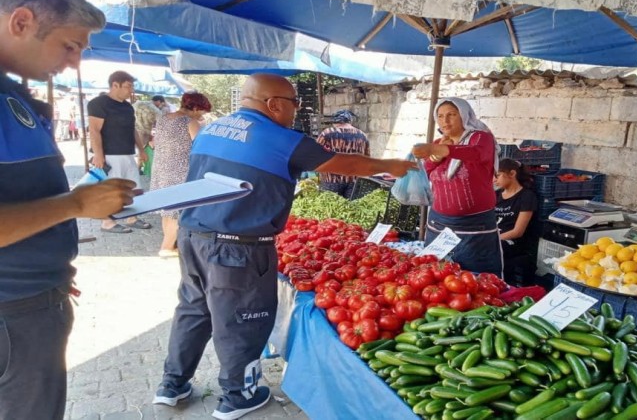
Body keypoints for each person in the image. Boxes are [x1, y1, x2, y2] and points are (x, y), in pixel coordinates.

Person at [152, 74, 416, 419]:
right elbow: (344, 164)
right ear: (274, 104)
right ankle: (237, 397)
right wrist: (388, 166)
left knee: (193, 308)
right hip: (238, 248)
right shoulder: (281, 138)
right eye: (294, 103)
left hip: (192, 236)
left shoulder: (212, 129)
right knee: (243, 320)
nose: (296, 110)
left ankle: (172, 385)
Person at [0, 0, 136, 419]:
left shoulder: (11, 92)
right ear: (21, 21)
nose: (75, 62)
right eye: (69, 45)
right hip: (12, 313)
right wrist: (76, 205)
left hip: (31, 304)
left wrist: (76, 198)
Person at [411, 97, 503, 277]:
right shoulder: (438, 143)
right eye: (440, 116)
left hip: (475, 226)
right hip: (438, 223)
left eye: (451, 115)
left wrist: (442, 151)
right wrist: (435, 156)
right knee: (437, 277)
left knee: (476, 280)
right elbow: (426, 172)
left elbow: (475, 153)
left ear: (464, 116)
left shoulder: (481, 138)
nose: (445, 121)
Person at [88, 71, 152, 233]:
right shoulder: (98, 103)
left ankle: (132, 217)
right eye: (128, 86)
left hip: (127, 153)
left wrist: (141, 149)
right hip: (109, 154)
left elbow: (133, 130)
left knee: (133, 187)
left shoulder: (127, 106)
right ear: (115, 85)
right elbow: (94, 130)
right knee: (111, 189)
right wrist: (98, 154)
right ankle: (107, 221)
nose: (131, 90)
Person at [151, 92, 212, 258]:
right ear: (196, 108)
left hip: (161, 168)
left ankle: (168, 243)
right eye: (201, 111)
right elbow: (201, 146)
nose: (201, 115)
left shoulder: (163, 118)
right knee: (177, 211)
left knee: (167, 211)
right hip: (179, 171)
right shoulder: (189, 122)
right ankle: (166, 247)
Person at [494, 158, 539, 285]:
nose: (494, 180)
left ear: (512, 174)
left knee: (491, 250)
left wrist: (493, 239)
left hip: (514, 242)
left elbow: (517, 232)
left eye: (497, 175)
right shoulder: (496, 195)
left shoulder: (527, 197)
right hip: (495, 237)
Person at [316, 109, 370, 198]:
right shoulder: (362, 135)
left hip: (331, 180)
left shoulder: (327, 133)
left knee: (329, 208)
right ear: (349, 121)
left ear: (335, 121)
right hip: (354, 181)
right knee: (350, 209)